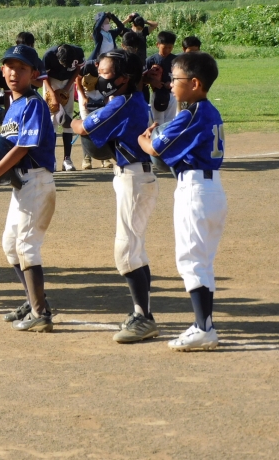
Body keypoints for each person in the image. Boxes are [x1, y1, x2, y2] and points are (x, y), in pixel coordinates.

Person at [139, 52, 226, 351]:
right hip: (211, 189)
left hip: (195, 191)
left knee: (191, 260)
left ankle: (204, 328)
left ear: (195, 83)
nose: (170, 83)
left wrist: (143, 139)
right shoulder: (210, 111)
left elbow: (156, 148)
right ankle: (204, 324)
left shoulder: (191, 114)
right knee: (202, 261)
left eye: (175, 79)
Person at [72, 50, 160, 343]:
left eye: (106, 73)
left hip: (133, 179)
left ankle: (144, 318)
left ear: (124, 78)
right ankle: (142, 313)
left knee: (126, 252)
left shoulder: (122, 102)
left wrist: (69, 118)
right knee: (136, 249)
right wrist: (83, 97)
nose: (100, 77)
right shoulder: (132, 96)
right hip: (136, 176)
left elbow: (84, 128)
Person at [0, 45, 57, 333]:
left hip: (37, 181)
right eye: (9, 66)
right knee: (11, 245)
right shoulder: (15, 104)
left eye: (22, 68)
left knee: (26, 246)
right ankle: (34, 301)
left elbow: (23, 147)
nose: (13, 73)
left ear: (34, 74)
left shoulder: (33, 103)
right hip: (22, 184)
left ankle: (40, 314)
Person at [42, 44, 84, 171]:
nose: (65, 66)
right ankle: (51, 158)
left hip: (68, 82)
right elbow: (44, 76)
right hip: (52, 82)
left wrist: (67, 88)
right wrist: (52, 95)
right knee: (52, 119)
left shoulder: (78, 51)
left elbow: (78, 69)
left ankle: (67, 159)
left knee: (68, 118)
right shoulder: (49, 55)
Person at [145, 31, 178, 124]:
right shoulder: (150, 60)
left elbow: (182, 78)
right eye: (164, 47)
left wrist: (172, 83)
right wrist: (152, 81)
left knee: (170, 122)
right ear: (158, 45)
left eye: (170, 47)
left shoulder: (176, 61)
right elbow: (142, 78)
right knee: (158, 121)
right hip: (157, 95)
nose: (167, 50)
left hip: (172, 94)